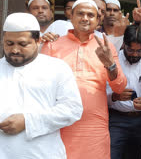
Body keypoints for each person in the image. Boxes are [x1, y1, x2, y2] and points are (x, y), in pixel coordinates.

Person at [41, 0, 127, 159]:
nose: (85, 18)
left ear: (98, 20)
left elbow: (120, 87)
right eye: (80, 13)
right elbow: (39, 85)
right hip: (59, 125)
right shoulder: (52, 45)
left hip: (94, 128)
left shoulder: (105, 47)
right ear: (71, 16)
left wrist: (110, 65)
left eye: (90, 15)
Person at [0, 13, 83, 159]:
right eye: (9, 43)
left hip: (43, 153)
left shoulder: (57, 68)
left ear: (38, 40)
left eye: (22, 44)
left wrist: (28, 121)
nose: (15, 50)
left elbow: (73, 109)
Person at [107, 25, 141, 159]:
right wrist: (115, 96)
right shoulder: (113, 60)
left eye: (139, 51)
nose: (134, 54)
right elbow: (101, 91)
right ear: (124, 44)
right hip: (117, 120)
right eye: (130, 50)